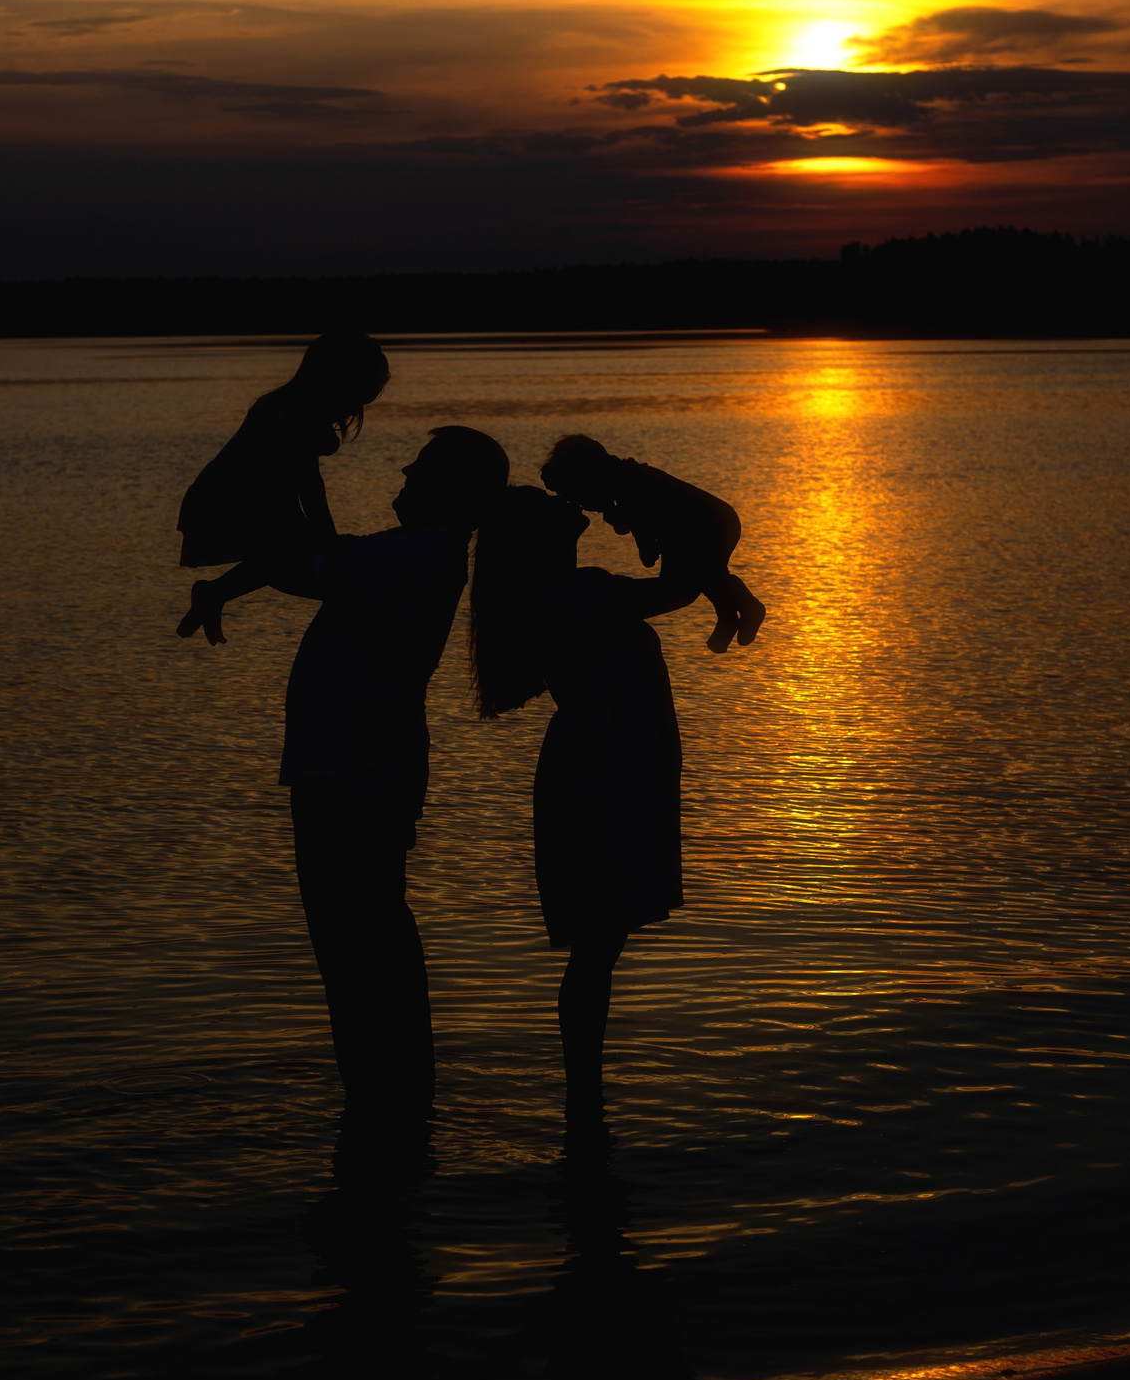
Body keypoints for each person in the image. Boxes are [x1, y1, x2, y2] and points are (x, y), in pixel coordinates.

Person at [279, 425, 512, 1114]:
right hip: (353, 773)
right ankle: (390, 1099)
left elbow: (303, 563)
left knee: (357, 951)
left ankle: (387, 1100)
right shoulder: (413, 553)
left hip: (354, 778)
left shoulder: (423, 554)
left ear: (445, 491)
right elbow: (326, 556)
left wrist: (290, 481)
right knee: (364, 945)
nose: (400, 482)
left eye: (416, 476)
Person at [467, 485, 700, 1107]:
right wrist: (671, 514)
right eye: (551, 507)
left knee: (599, 951)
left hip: (601, 768)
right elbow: (676, 590)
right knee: (598, 950)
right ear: (540, 539)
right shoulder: (576, 593)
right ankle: (583, 1099)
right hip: (602, 776)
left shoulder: (553, 596)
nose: (565, 504)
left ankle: (584, 1103)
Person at [174, 331, 392, 645]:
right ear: (336, 382)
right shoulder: (297, 416)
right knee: (290, 552)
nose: (353, 408)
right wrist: (327, 536)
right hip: (230, 500)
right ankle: (215, 593)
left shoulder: (291, 408)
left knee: (284, 554)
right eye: (356, 396)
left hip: (246, 496)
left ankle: (214, 593)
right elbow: (308, 483)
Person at [538, 434, 765, 655]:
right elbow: (632, 520)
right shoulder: (622, 481)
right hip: (699, 526)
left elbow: (639, 522)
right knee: (700, 578)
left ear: (590, 480)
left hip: (706, 525)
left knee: (691, 581)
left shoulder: (630, 484)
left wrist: (645, 548)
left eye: (578, 497)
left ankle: (748, 607)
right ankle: (729, 616)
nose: (581, 506)